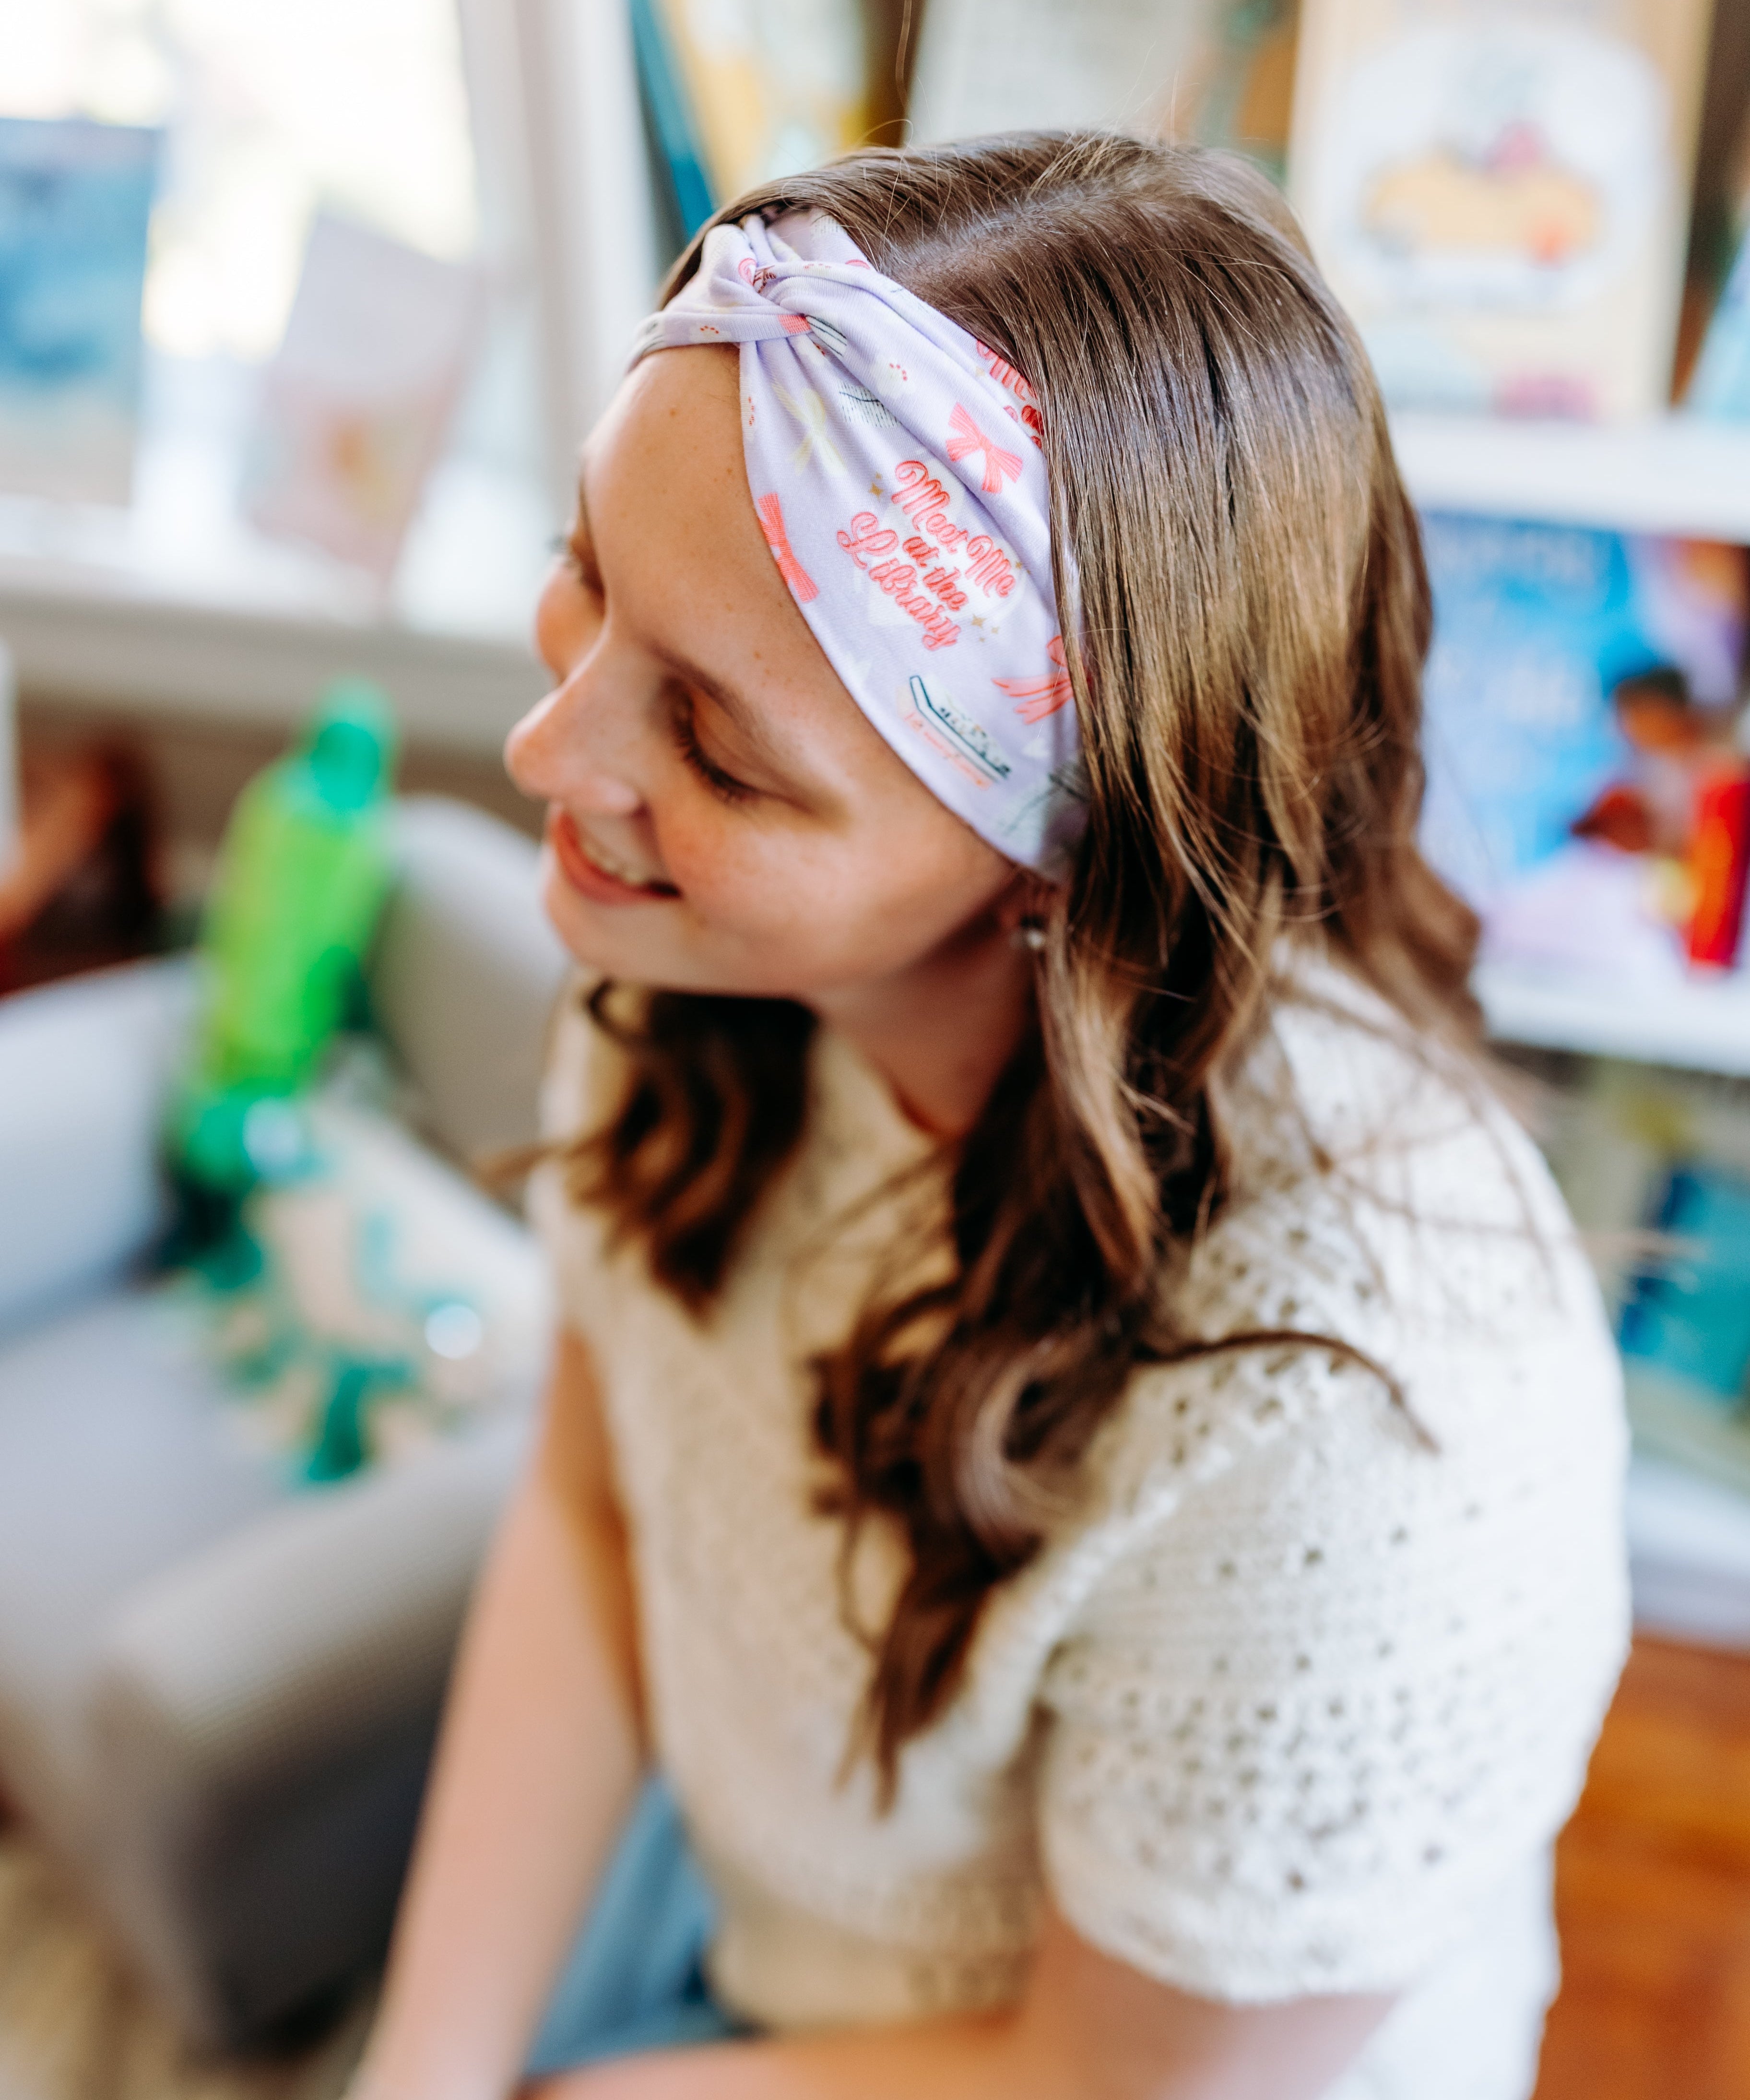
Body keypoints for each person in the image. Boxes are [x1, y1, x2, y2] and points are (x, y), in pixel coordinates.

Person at [351, 134, 1628, 2100]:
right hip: (774, 1947)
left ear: (1064, 858)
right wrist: (425, 2069)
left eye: (716, 745)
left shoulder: (1361, 1418)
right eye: (584, 572)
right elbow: (599, 1511)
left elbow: (1130, 2079)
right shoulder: (684, 986)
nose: (552, 752)